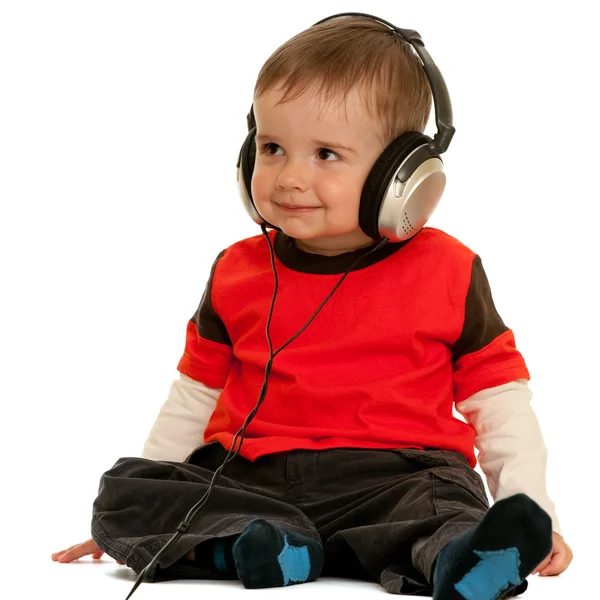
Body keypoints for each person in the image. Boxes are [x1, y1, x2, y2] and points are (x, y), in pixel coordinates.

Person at [51, 14, 573, 599]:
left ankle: (467, 558)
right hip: (253, 481)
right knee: (126, 489)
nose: (289, 177)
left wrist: (535, 508)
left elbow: (498, 403)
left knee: (441, 505)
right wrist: (153, 502)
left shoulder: (448, 270)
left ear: (402, 177)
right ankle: (269, 549)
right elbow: (194, 396)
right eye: (272, 148)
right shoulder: (235, 270)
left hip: (397, 477)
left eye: (326, 154)